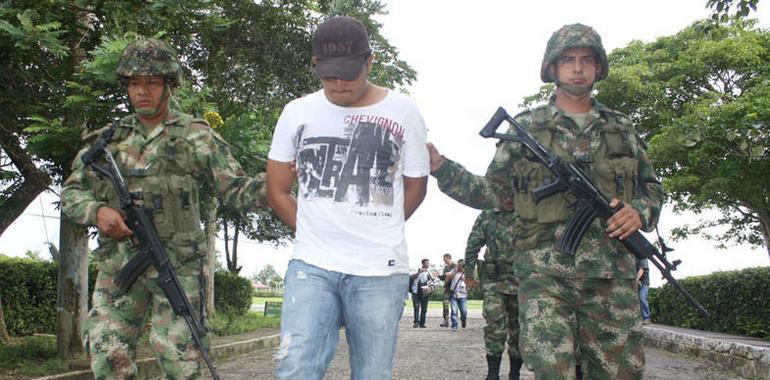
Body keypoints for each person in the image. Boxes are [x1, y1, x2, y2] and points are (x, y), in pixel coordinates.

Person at [428, 23, 664, 379]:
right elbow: (491, 192)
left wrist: (639, 213)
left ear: (599, 67)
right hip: (544, 280)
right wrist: (442, 169)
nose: (578, 68)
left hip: (611, 280)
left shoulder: (622, 129)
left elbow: (652, 188)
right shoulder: (527, 128)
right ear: (552, 68)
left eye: (587, 60)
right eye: (568, 59)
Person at [60, 38, 266, 379]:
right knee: (106, 353)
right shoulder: (108, 141)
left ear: (169, 85)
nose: (142, 91)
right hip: (119, 265)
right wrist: (97, 211)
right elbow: (71, 193)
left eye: (152, 83)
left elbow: (237, 190)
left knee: (180, 359)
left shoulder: (195, 137)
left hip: (177, 266)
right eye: (135, 84)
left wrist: (277, 184)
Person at [265, 15, 429, 379]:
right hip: (312, 265)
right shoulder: (296, 113)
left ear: (370, 62)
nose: (338, 84)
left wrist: (377, 229)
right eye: (329, 75)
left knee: (372, 373)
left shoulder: (404, 112)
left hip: (379, 271)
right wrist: (314, 229)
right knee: (295, 367)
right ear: (315, 64)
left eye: (349, 74)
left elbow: (416, 186)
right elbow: (277, 189)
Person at [464, 209, 523, 380]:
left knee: (518, 330)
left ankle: (514, 374)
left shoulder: (528, 210)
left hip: (522, 281)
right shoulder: (488, 215)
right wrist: (469, 273)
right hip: (494, 281)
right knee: (494, 328)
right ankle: (492, 374)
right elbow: (473, 244)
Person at [410, 258, 435, 328]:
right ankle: (416, 322)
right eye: (427, 263)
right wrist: (419, 272)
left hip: (425, 292)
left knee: (424, 309)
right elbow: (411, 276)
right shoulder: (417, 269)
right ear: (423, 264)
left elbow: (433, 280)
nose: (428, 264)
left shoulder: (429, 271)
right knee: (416, 308)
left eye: (428, 263)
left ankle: (422, 323)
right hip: (416, 292)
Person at [447, 259, 468, 330]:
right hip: (454, 294)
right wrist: (455, 271)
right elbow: (448, 277)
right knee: (454, 310)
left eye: (461, 265)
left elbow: (471, 282)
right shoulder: (454, 271)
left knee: (464, 311)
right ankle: (454, 325)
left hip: (463, 295)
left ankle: (463, 319)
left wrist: (464, 278)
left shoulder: (467, 273)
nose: (459, 266)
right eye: (458, 265)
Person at [437, 253, 456, 327]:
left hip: (454, 289)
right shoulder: (445, 268)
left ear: (448, 258)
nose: (443, 260)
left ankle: (454, 322)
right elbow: (444, 277)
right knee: (445, 304)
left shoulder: (455, 266)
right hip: (447, 289)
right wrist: (438, 276)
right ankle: (446, 321)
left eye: (444, 258)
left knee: (454, 306)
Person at [637, 257, 651, 324]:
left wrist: (635, 280)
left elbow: (641, 270)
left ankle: (646, 318)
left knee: (642, 297)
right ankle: (640, 318)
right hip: (639, 282)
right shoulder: (636, 257)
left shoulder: (643, 258)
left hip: (644, 282)